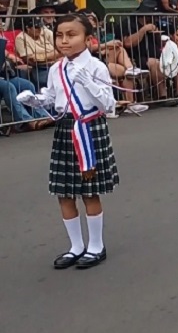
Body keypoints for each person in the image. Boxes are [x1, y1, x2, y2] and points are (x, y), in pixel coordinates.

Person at [16, 14, 120, 269]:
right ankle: (75, 246)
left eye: (71, 35)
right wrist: (34, 101)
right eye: (60, 35)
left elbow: (109, 104)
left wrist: (90, 84)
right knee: (64, 192)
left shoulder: (96, 67)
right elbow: (52, 98)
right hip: (65, 129)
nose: (64, 40)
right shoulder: (56, 69)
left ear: (87, 38)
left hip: (89, 128)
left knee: (90, 190)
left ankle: (96, 245)